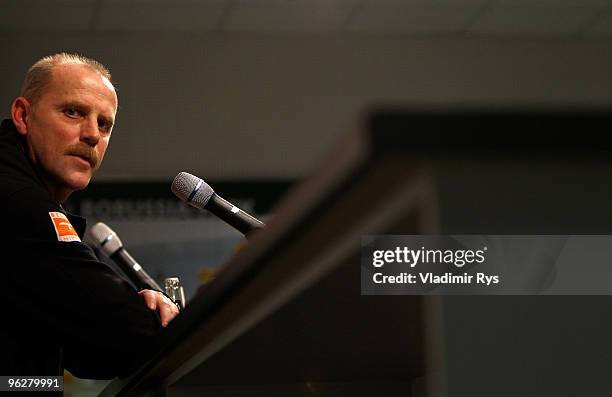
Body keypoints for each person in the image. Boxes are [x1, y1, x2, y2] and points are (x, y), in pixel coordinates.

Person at [0, 53, 179, 380]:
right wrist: (144, 313)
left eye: (104, 123)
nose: (93, 135)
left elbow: (89, 354)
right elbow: (133, 335)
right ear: (23, 116)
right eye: (73, 112)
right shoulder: (15, 199)